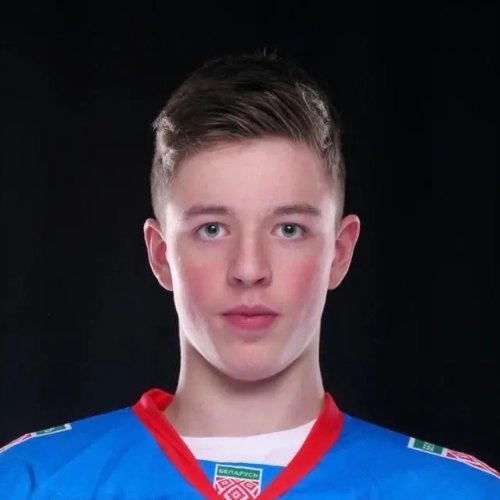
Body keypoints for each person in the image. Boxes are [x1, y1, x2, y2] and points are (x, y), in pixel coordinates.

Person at [0, 50, 498, 499]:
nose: (249, 269)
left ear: (340, 252)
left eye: (289, 229)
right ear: (161, 254)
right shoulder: (27, 481)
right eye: (212, 229)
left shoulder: (459, 493)